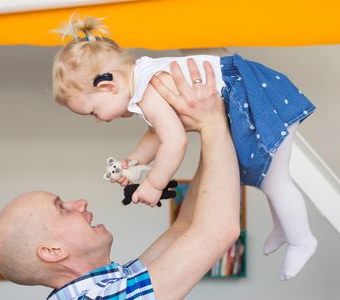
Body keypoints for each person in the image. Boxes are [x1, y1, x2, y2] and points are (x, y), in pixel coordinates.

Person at [51, 15, 317, 280]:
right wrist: (132, 161)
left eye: (93, 112)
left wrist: (154, 184)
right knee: (265, 180)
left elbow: (175, 141)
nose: (99, 120)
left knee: (275, 181)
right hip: (249, 93)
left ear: (108, 87)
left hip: (254, 96)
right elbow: (155, 134)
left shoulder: (149, 90)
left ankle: (302, 239)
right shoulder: (142, 80)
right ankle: (285, 227)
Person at [0, 60, 241, 299]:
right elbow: (218, 231)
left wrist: (207, 126)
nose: (81, 203)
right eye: (62, 209)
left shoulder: (113, 284)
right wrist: (212, 124)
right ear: (53, 252)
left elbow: (185, 227)